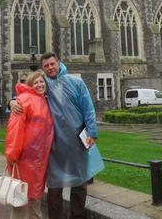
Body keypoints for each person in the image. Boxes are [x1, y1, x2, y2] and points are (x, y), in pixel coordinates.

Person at [10, 52, 104, 219]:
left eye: (52, 64)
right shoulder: (43, 84)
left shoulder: (76, 82)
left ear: (58, 63)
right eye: (46, 66)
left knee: (80, 184)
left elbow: (88, 109)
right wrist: (10, 101)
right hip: (53, 144)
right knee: (54, 188)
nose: (50, 68)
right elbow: (26, 92)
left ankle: (78, 216)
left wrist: (92, 132)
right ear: (43, 68)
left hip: (77, 142)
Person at [5, 70, 54, 219]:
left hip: (39, 161)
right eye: (36, 82)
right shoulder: (24, 99)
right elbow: (15, 128)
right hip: (24, 160)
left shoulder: (44, 100)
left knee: (35, 197)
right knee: (21, 199)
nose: (40, 84)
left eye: (41, 81)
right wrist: (12, 154)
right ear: (30, 84)